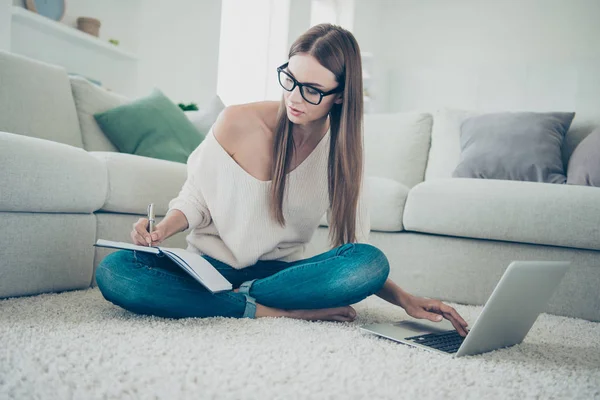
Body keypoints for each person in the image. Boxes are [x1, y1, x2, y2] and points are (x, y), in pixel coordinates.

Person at [95, 23, 468, 336]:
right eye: (289, 79)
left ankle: (245, 297)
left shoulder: (342, 152)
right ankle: (274, 313)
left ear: (340, 97)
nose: (294, 97)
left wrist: (404, 299)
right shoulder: (237, 121)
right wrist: (161, 230)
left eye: (312, 90)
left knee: (371, 263)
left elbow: (352, 249)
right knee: (117, 272)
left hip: (279, 276)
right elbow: (196, 199)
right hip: (210, 265)